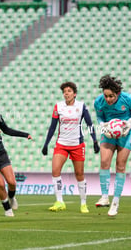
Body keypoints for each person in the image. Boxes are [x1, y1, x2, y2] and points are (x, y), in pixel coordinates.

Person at [42, 82, 100, 213]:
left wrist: (95, 141)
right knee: (55, 171)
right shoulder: (58, 106)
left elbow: (89, 124)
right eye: (64, 91)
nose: (66, 93)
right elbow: (52, 127)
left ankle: (83, 204)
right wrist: (46, 144)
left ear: (74, 94)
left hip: (77, 145)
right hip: (61, 144)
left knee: (79, 174)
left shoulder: (81, 106)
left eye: (69, 91)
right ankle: (59, 202)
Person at [94, 74, 131, 216]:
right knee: (104, 161)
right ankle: (104, 197)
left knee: (120, 165)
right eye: (106, 96)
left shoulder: (129, 99)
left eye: (111, 96)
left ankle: (116, 201)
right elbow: (99, 116)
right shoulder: (99, 102)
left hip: (126, 133)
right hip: (109, 132)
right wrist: (102, 124)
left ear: (117, 93)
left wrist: (130, 121)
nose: (108, 99)